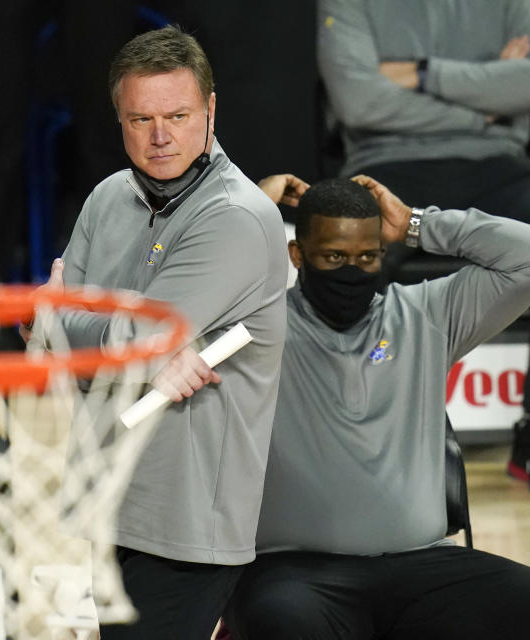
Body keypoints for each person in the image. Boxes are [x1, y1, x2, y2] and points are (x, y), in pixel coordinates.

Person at [30, 25, 288, 638]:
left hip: (187, 524)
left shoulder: (237, 219)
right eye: (141, 119)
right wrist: (133, 345)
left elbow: (109, 336)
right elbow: (50, 345)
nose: (161, 136)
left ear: (211, 109)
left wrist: (64, 315)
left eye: (177, 114)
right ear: (118, 118)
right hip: (102, 498)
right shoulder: (107, 197)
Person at [224, 174, 530, 639]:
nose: (351, 271)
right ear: (297, 255)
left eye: (366, 257)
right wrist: (247, 213)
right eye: (334, 257)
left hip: (426, 567)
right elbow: (176, 299)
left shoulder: (428, 315)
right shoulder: (257, 328)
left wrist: (415, 224)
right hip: (296, 574)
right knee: (279, 620)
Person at [316, 0, 530, 479]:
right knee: (342, 261)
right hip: (384, 166)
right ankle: (349, 436)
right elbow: (357, 100)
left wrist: (421, 73)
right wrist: (485, 105)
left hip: (500, 165)